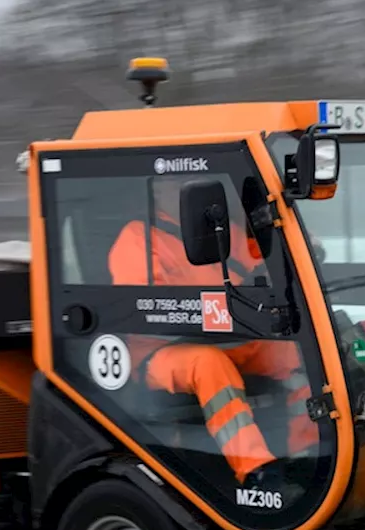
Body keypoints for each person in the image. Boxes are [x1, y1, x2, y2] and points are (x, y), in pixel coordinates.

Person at [107, 176, 318, 490]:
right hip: (159, 351)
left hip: (227, 335)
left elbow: (259, 263)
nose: (180, 191)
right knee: (208, 365)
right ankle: (256, 469)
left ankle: (306, 456)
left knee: (293, 354)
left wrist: (294, 258)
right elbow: (149, 309)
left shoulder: (225, 232)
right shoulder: (138, 238)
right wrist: (207, 310)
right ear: (156, 192)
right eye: (174, 185)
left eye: (187, 184)